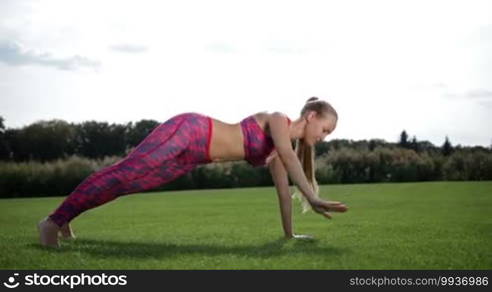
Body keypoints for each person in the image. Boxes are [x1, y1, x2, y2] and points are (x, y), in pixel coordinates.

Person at [38, 97, 348, 247]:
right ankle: (52, 222)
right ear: (310, 116)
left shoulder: (279, 152)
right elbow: (293, 163)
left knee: (127, 184)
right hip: (191, 131)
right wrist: (314, 197)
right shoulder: (279, 120)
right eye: (325, 129)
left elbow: (283, 193)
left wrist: (289, 234)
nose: (324, 136)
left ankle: (66, 218)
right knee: (125, 171)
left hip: (191, 158)